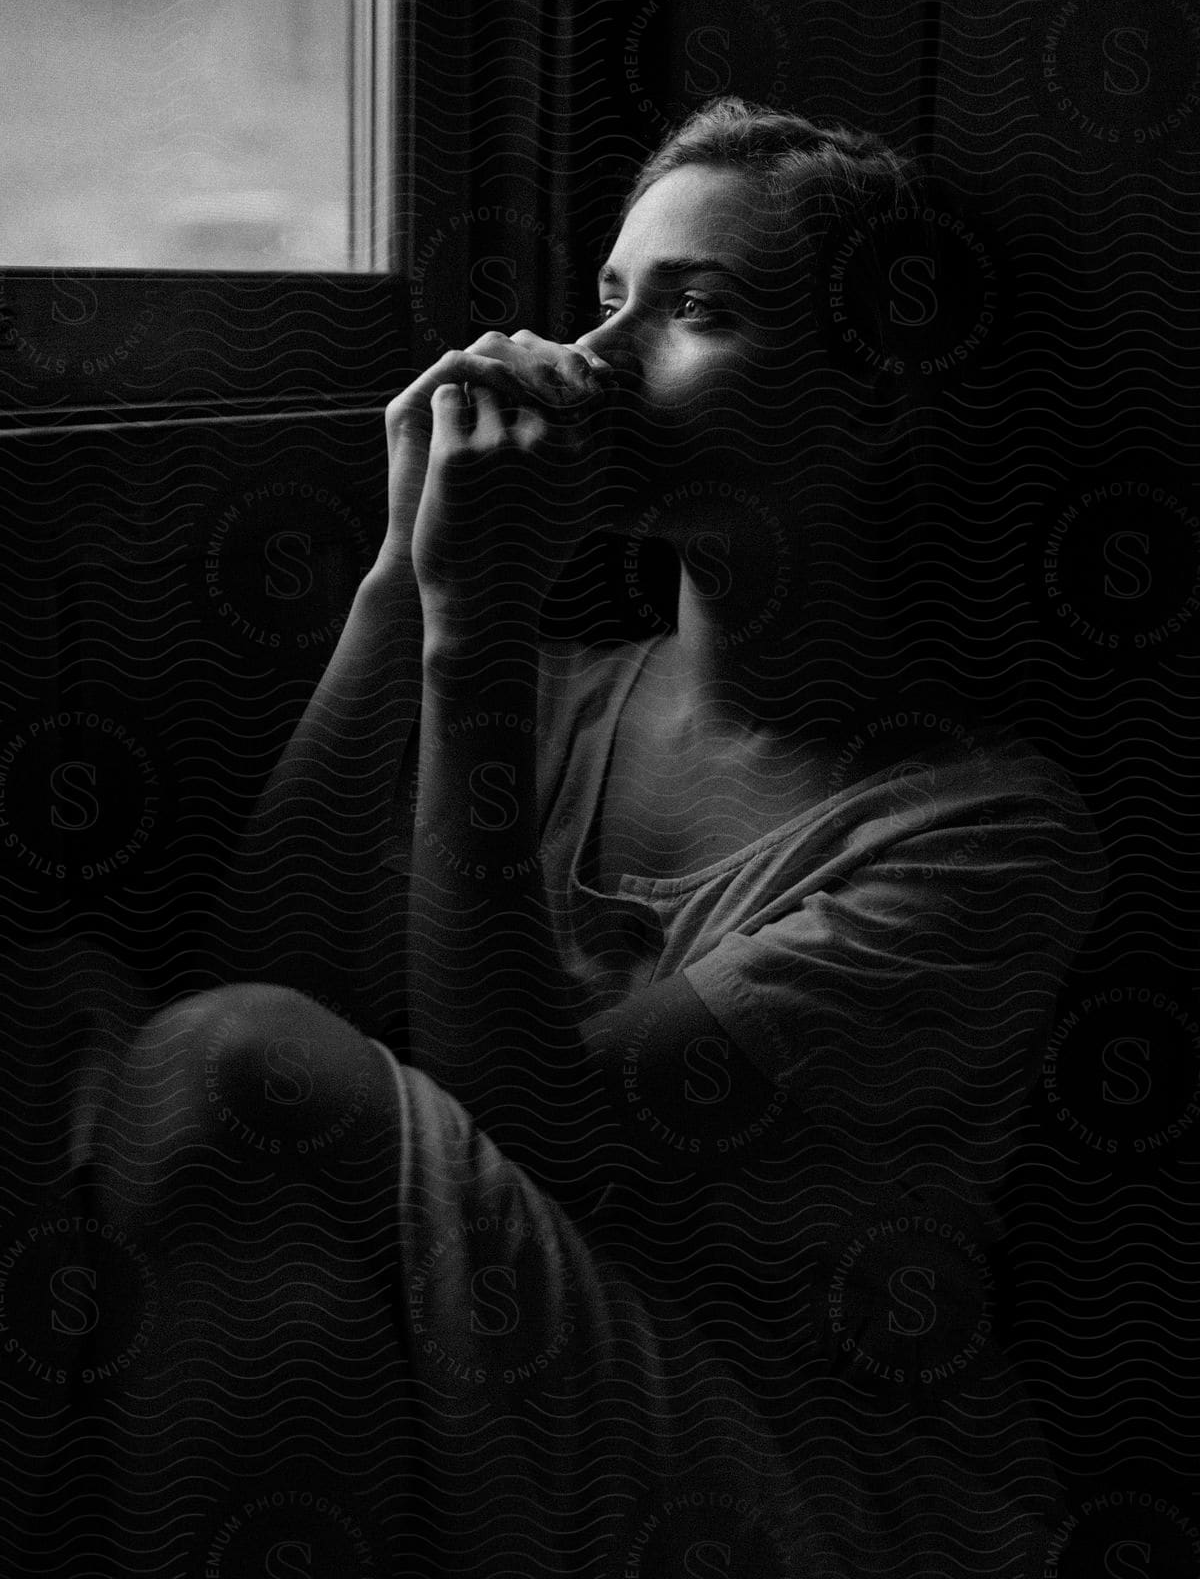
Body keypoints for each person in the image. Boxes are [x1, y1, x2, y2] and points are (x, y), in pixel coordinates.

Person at [87, 99, 1105, 1578]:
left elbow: (540, 1144)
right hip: (497, 1354)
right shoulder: (546, 700)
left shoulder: (982, 837)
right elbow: (259, 972)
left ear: (881, 397)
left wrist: (475, 625)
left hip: (782, 1448)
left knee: (232, 1057)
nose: (602, 361)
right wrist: (398, 577)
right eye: (611, 298)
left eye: (698, 311)